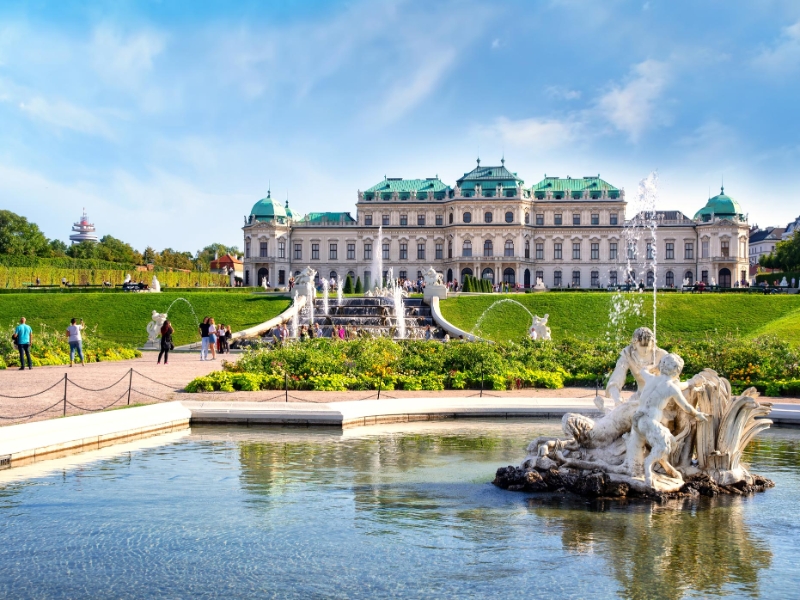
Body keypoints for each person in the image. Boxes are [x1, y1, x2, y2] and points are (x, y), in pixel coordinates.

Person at [624, 353, 709, 487]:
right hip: (649, 422)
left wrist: (655, 367)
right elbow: (686, 406)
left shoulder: (651, 378)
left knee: (671, 441)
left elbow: (643, 370)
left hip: (639, 421)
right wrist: (697, 414)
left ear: (662, 366)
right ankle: (648, 472)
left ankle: (666, 466)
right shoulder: (671, 388)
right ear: (677, 371)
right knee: (664, 446)